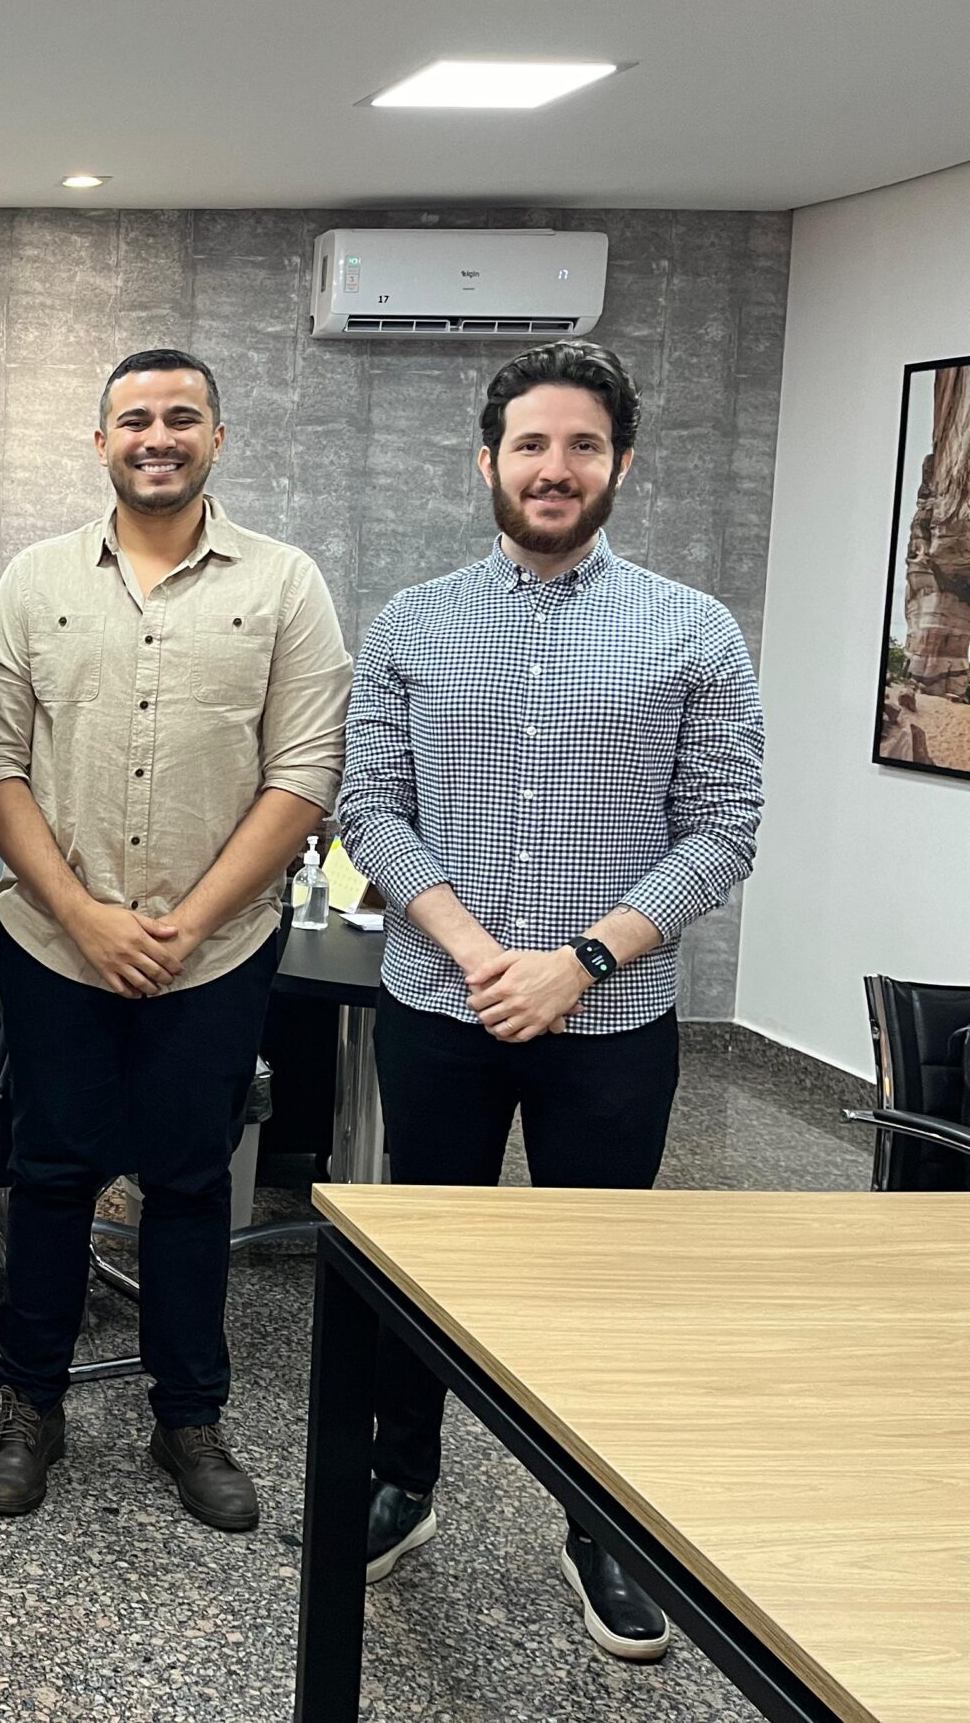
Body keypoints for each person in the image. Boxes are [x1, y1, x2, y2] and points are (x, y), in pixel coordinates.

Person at [338, 339, 764, 1662]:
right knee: (423, 1265)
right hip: (440, 1005)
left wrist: (575, 962)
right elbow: (370, 807)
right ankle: (402, 1481)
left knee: (598, 1287)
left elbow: (723, 829)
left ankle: (599, 1528)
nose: (554, 467)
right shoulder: (412, 623)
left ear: (620, 464)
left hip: (611, 1024)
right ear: (489, 462)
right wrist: (481, 955)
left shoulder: (693, 629)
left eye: (582, 445)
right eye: (531, 444)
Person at [0, 349, 351, 1527]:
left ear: (216, 439)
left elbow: (304, 773)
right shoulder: (34, 581)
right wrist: (84, 916)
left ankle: (188, 1416)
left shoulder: (284, 584)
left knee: (190, 1184)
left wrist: (190, 922)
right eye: (133, 418)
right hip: (56, 943)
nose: (157, 436)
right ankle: (29, 1405)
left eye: (182, 417)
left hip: (214, 952)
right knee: (49, 1177)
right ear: (100, 442)